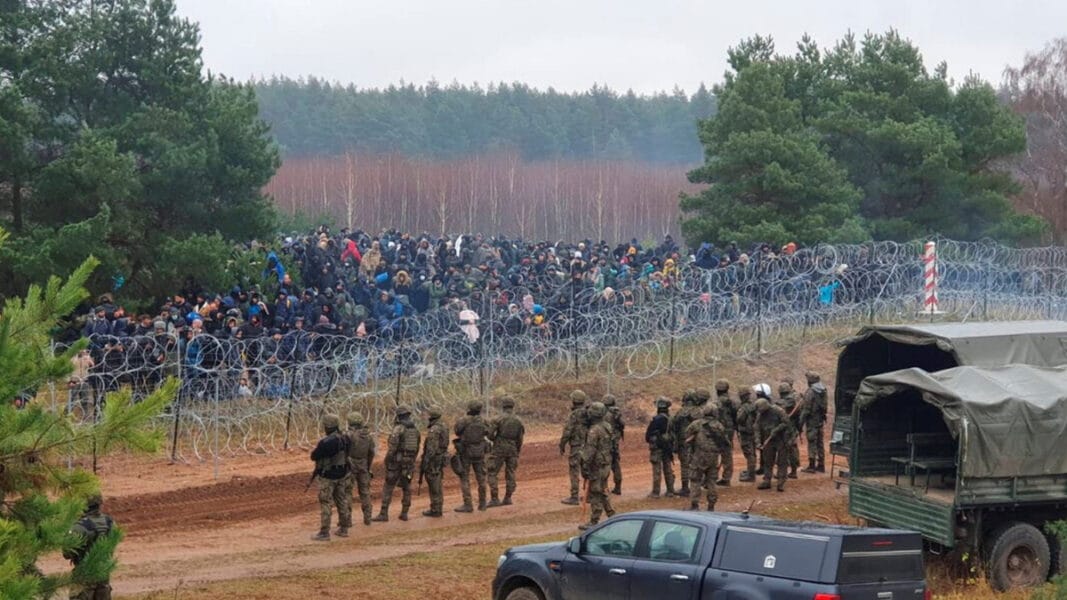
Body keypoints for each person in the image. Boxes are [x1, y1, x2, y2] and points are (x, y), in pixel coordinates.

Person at [373, 406, 420, 522]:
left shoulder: (398, 429)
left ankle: (383, 513)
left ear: (399, 416)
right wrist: (411, 460)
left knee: (388, 487)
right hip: (409, 463)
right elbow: (417, 447)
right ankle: (404, 513)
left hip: (396, 462)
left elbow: (392, 449)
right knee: (406, 487)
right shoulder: (415, 430)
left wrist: (387, 461)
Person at [63, 493, 115, 600]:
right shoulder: (109, 522)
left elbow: (67, 553)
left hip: (84, 573)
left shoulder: (79, 527)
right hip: (104, 573)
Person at [309, 414, 351, 540]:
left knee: (326, 503)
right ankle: (344, 528)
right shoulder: (345, 438)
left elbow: (314, 456)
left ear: (327, 427)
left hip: (328, 476)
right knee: (341, 501)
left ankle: (324, 532)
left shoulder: (326, 442)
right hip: (342, 474)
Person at [578, 402, 616, 530]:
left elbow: (590, 452)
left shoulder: (594, 430)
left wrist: (584, 466)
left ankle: (594, 521)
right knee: (602, 489)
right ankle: (611, 514)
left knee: (595, 492)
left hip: (597, 465)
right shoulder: (607, 426)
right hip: (606, 463)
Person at [686, 403, 727, 511]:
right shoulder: (719, 426)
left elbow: (687, 434)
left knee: (695, 480)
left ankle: (694, 505)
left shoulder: (696, 424)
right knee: (712, 481)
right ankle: (711, 505)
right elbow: (724, 441)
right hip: (714, 457)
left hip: (699, 456)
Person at [754, 385, 796, 492]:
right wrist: (758, 442)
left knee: (782, 462)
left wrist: (776, 429)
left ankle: (781, 482)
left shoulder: (778, 411)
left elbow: (787, 423)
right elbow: (757, 428)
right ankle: (767, 480)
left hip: (782, 439)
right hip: (768, 440)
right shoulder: (760, 414)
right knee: (768, 461)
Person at [487, 396, 524, 507]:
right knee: (511, 473)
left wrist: (495, 440)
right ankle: (508, 497)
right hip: (513, 448)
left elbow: (490, 434)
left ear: (503, 406)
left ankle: (494, 498)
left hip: (499, 447)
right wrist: (517, 450)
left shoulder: (497, 419)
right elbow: (520, 438)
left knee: (492, 471)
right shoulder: (518, 420)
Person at [453, 400, 490, 512]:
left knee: (464, 478)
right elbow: (488, 432)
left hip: (466, 452)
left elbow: (457, 431)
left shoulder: (463, 420)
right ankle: (483, 504)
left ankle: (468, 504)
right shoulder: (484, 421)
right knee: (481, 478)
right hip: (479, 452)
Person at [344, 412, 376, 526]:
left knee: (347, 492)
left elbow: (344, 451)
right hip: (364, 464)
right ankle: (368, 518)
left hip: (351, 464)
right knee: (365, 492)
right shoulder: (368, 435)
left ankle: (347, 520)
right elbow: (372, 452)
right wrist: (368, 466)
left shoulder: (349, 435)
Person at [558, 390, 589, 505]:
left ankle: (574, 496)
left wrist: (562, 444)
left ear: (574, 401)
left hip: (576, 447)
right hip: (587, 446)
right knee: (587, 470)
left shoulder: (574, 415)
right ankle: (589, 495)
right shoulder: (588, 413)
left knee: (574, 471)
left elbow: (568, 431)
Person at [645, 397, 676, 498]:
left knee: (657, 469)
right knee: (668, 468)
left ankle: (655, 492)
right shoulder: (671, 419)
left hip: (657, 447)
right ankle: (670, 491)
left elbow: (648, 435)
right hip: (667, 446)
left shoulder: (656, 419)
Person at [421, 408, 450, 517]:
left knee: (434, 484)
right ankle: (437, 507)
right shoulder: (444, 426)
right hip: (441, 457)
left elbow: (431, 449)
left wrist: (426, 461)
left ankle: (436, 509)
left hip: (435, 459)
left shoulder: (434, 429)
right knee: (437, 482)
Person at [799, 371, 828, 473]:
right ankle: (821, 465)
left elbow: (806, 410)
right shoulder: (823, 390)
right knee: (820, 443)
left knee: (812, 442)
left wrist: (800, 423)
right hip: (820, 420)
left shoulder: (811, 392)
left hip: (812, 421)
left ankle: (811, 466)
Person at [670, 391, 698, 496]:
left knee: (684, 465)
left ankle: (685, 487)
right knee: (696, 464)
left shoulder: (680, 412)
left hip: (683, 441)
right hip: (696, 441)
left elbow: (673, 426)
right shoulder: (698, 411)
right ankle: (696, 486)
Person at [714, 379, 738, 485]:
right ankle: (727, 477)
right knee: (727, 453)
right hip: (729, 430)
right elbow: (736, 416)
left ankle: (712, 477)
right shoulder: (732, 402)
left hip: (716, 429)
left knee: (714, 453)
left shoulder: (715, 403)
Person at [775, 381, 801, 479]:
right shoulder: (795, 401)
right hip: (792, 428)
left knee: (783, 450)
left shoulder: (785, 402)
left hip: (785, 429)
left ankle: (782, 473)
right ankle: (793, 471)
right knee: (791, 450)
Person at [602, 394, 625, 495]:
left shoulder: (603, 414)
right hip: (615, 442)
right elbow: (622, 425)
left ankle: (604, 487)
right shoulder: (616, 413)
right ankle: (618, 487)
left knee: (604, 465)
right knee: (616, 465)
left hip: (606, 443)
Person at [735, 387, 759, 482]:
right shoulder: (754, 405)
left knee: (749, 454)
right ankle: (751, 472)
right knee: (752, 453)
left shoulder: (744, 407)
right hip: (753, 432)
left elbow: (739, 419)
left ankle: (751, 476)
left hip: (746, 433)